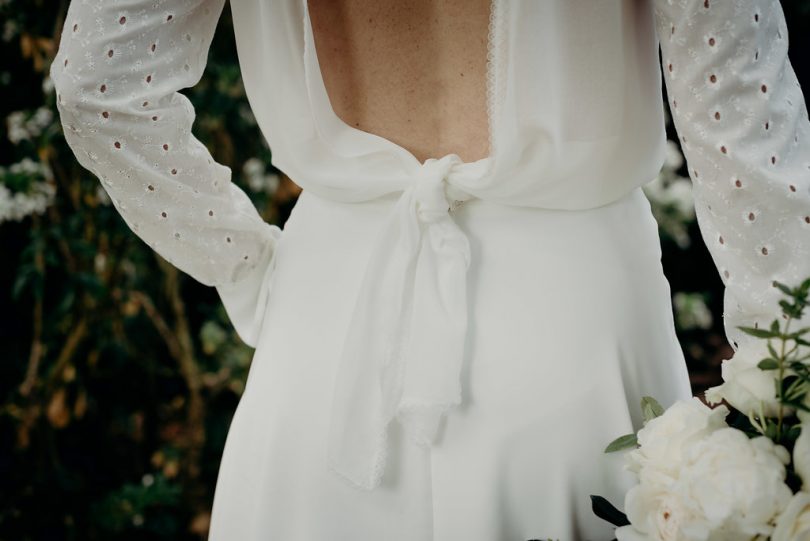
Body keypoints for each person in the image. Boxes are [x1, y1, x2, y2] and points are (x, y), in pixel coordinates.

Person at [49, 0, 810, 539]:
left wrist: (251, 269)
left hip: (325, 337)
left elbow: (99, 82)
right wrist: (777, 416)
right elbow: (745, 137)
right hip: (572, 331)